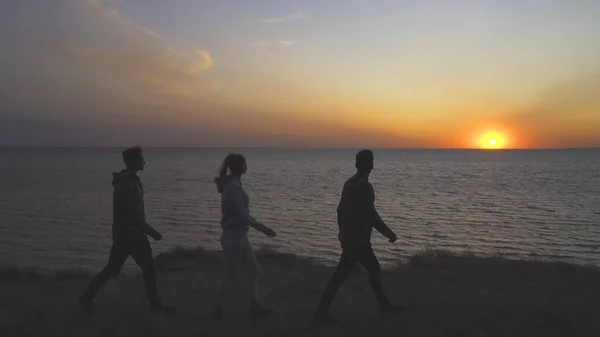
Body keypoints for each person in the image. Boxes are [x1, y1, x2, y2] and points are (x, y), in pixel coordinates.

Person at [79, 146, 173, 314]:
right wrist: (152, 232)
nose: (145, 161)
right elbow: (131, 214)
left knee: (123, 269)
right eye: (142, 158)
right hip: (129, 235)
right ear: (134, 161)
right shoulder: (125, 183)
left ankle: (155, 306)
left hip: (132, 234)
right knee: (124, 269)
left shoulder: (134, 180)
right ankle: (155, 307)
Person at [314, 149, 401, 322]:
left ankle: (384, 305)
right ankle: (321, 312)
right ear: (369, 165)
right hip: (358, 241)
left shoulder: (349, 183)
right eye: (371, 160)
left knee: (368, 269)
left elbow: (340, 211)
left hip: (353, 239)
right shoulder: (364, 187)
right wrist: (389, 233)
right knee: (343, 274)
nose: (372, 162)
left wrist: (342, 233)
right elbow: (371, 216)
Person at [213, 153, 277, 322]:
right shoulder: (233, 187)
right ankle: (218, 309)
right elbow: (240, 214)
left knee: (253, 270)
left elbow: (241, 213)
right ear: (240, 166)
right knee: (229, 274)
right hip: (234, 236)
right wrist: (262, 228)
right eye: (245, 163)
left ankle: (254, 306)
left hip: (240, 235)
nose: (247, 166)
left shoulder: (234, 185)